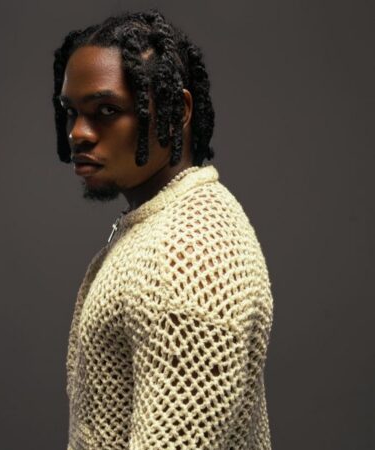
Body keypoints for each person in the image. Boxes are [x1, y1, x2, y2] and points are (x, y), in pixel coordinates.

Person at [52, 8, 274, 450]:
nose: (78, 133)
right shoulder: (161, 223)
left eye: (107, 110)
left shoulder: (191, 254)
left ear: (179, 110)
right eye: (72, 112)